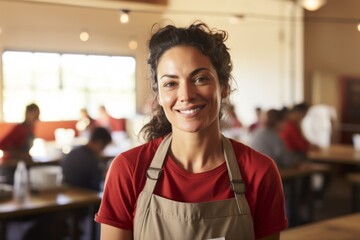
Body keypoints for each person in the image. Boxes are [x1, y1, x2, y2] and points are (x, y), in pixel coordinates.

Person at [95, 22, 287, 239]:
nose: (186, 94)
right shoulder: (128, 170)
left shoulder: (259, 172)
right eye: (170, 83)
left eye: (200, 79)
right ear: (158, 95)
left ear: (224, 86)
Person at [61, 126, 112, 192]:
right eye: (103, 147)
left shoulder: (73, 152)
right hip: (88, 196)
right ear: (99, 143)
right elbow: (96, 186)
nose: (102, 151)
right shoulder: (91, 161)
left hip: (69, 192)